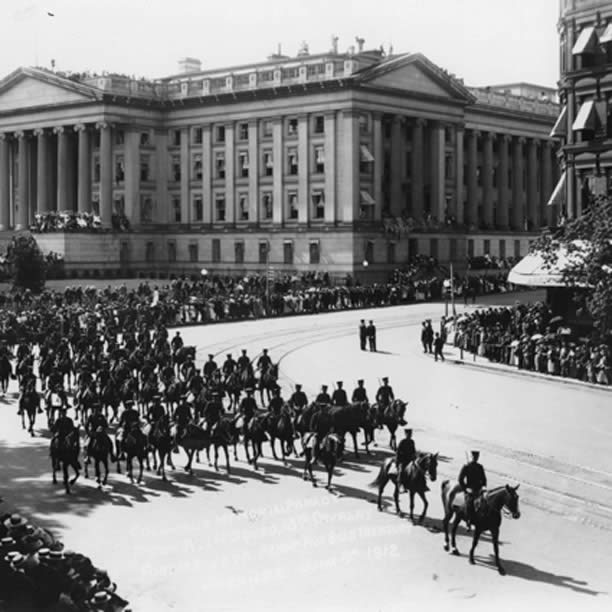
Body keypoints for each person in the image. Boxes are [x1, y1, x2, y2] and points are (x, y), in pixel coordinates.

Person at [458, 450, 488, 526]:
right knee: (470, 504)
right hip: (469, 490)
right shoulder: (466, 466)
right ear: (471, 457)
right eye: (474, 457)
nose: (475, 458)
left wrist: (484, 487)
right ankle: (469, 520)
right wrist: (465, 489)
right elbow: (460, 479)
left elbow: (484, 479)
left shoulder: (480, 467)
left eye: (477, 457)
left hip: (479, 489)